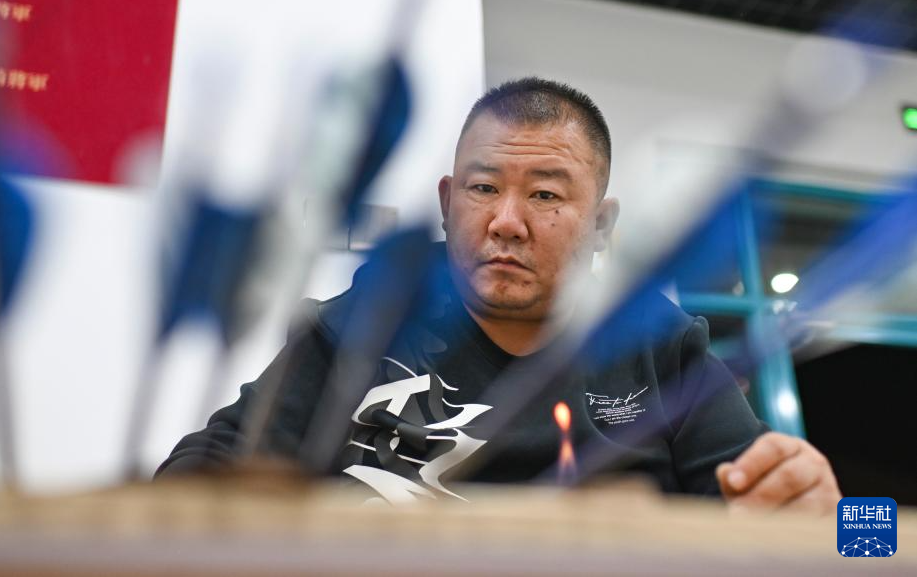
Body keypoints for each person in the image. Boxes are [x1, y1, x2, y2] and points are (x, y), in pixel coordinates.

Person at [158, 77, 841, 512]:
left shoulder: (660, 348)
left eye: (544, 195)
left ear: (601, 226)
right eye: (483, 188)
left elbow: (850, 536)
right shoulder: (370, 319)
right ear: (447, 203)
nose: (505, 221)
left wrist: (831, 513)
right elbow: (198, 467)